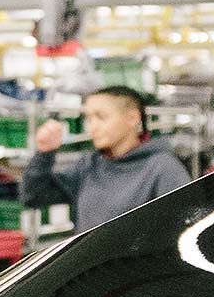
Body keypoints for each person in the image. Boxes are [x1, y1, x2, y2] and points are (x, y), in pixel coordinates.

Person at [23, 85, 190, 234]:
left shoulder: (163, 168)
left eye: (101, 117)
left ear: (132, 118)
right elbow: (34, 196)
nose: (92, 127)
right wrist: (44, 153)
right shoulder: (89, 165)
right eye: (88, 119)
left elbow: (181, 230)